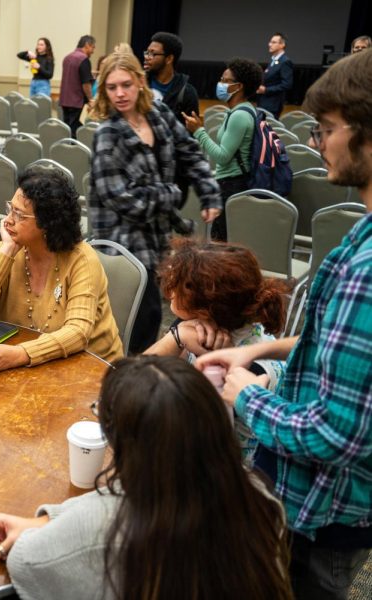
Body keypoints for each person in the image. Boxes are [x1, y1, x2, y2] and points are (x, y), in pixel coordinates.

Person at [197, 48, 372, 599]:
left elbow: (335, 433)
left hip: (323, 512)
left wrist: (246, 395)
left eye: (326, 129)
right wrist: (260, 354)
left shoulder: (368, 270)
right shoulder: (363, 232)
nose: (317, 142)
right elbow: (340, 347)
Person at [0, 355, 292, 600]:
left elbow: (27, 561)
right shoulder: (259, 497)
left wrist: (42, 531)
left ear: (122, 442)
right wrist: (47, 521)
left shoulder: (106, 526)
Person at [89, 51, 220, 354]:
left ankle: (142, 376)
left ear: (140, 81)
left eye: (126, 84)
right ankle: (130, 380)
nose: (120, 93)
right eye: (111, 87)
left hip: (158, 236)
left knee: (158, 312)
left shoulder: (158, 116)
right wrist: (170, 194)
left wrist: (208, 190)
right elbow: (121, 199)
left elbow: (189, 150)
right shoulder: (107, 134)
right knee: (139, 319)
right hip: (121, 242)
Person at [0, 166, 122, 372]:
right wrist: (6, 250)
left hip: (90, 369)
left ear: (48, 224)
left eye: (19, 215)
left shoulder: (82, 259)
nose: (8, 220)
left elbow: (78, 332)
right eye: (10, 209)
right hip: (34, 367)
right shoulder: (10, 249)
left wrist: (21, 354)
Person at [145, 238, 290, 458]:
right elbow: (141, 375)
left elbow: (199, 437)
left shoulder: (251, 368)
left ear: (208, 307)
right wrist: (177, 336)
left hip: (233, 471)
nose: (171, 289)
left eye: (181, 284)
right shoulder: (195, 325)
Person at [183, 58, 264, 241]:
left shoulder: (240, 116)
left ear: (239, 86)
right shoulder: (243, 110)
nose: (220, 84)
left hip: (231, 186)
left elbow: (222, 157)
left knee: (221, 244)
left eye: (225, 81)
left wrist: (199, 132)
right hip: (232, 183)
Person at [143, 32, 198, 126]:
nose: (147, 57)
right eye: (147, 52)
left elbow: (189, 134)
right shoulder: (139, 84)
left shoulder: (187, 92)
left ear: (169, 59)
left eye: (152, 53)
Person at [59, 35, 96, 136]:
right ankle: (73, 151)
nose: (93, 51)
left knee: (66, 130)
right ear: (87, 45)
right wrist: (91, 99)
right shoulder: (83, 59)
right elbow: (86, 83)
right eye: (93, 47)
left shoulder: (67, 58)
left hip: (64, 101)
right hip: (76, 102)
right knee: (75, 132)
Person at [257, 33, 293, 119]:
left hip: (273, 104)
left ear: (282, 45)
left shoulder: (285, 62)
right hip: (265, 102)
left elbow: (287, 85)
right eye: (270, 42)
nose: (270, 44)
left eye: (273, 42)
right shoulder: (274, 59)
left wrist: (266, 90)